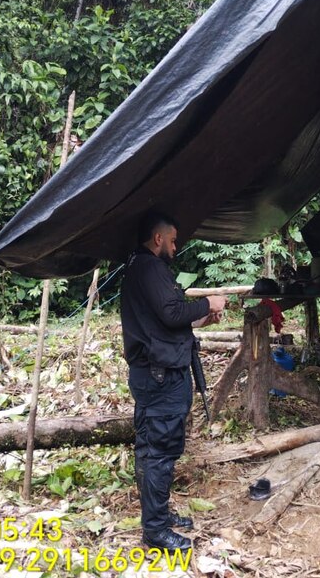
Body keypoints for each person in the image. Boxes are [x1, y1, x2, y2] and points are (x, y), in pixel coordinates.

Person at [120, 211, 227, 551]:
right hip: (159, 378)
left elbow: (165, 322)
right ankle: (154, 531)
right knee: (159, 452)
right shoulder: (149, 267)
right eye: (173, 240)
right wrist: (207, 302)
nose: (176, 246)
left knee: (152, 449)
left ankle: (159, 516)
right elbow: (171, 312)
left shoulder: (141, 268)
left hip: (156, 373)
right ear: (158, 239)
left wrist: (198, 321)